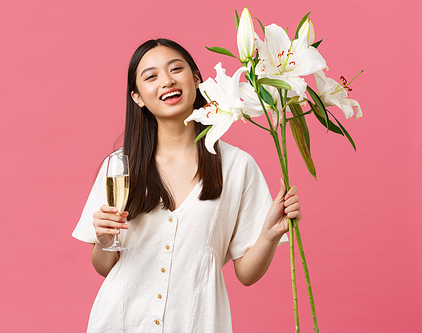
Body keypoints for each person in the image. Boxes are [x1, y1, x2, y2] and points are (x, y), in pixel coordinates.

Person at [72, 38, 302, 333]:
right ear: (138, 97)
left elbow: (246, 274)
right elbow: (105, 266)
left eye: (176, 69)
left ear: (196, 79)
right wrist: (105, 242)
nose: (167, 81)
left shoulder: (237, 167)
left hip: (198, 324)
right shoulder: (120, 167)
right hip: (120, 323)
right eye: (151, 76)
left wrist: (269, 234)